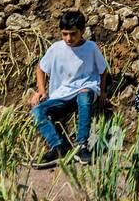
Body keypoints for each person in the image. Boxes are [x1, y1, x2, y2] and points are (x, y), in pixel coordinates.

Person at [30, 10, 107, 168]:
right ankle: (58, 146)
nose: (68, 38)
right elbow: (40, 68)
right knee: (38, 111)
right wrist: (42, 91)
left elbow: (103, 71)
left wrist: (103, 92)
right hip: (61, 96)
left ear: (82, 31)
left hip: (85, 90)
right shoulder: (56, 48)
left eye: (73, 34)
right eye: (64, 34)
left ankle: (81, 145)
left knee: (84, 96)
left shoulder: (91, 48)